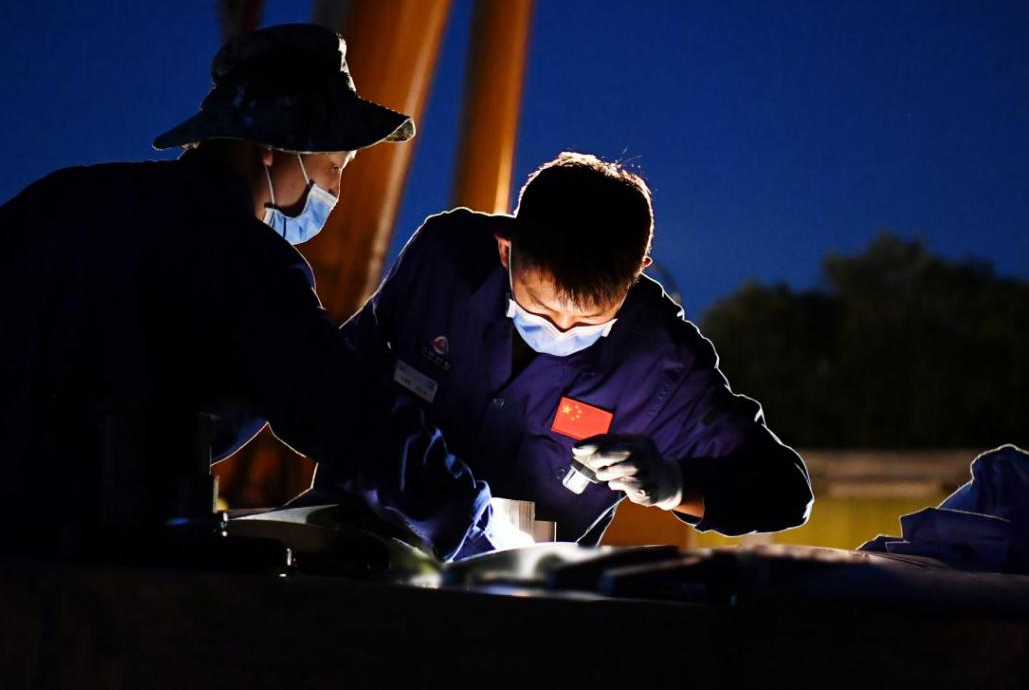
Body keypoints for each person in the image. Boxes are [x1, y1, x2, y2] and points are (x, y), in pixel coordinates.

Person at [0, 24, 505, 561]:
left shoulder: (67, 198)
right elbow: (337, 405)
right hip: (47, 562)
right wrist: (466, 513)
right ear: (271, 145)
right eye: (335, 163)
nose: (335, 186)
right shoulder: (240, 257)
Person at [322, 152, 813, 544]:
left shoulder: (662, 363)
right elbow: (338, 372)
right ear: (506, 248)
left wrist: (675, 485)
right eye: (539, 308)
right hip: (353, 544)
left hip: (509, 606)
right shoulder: (444, 258)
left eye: (588, 320)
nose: (559, 330)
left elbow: (786, 490)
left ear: (636, 274)